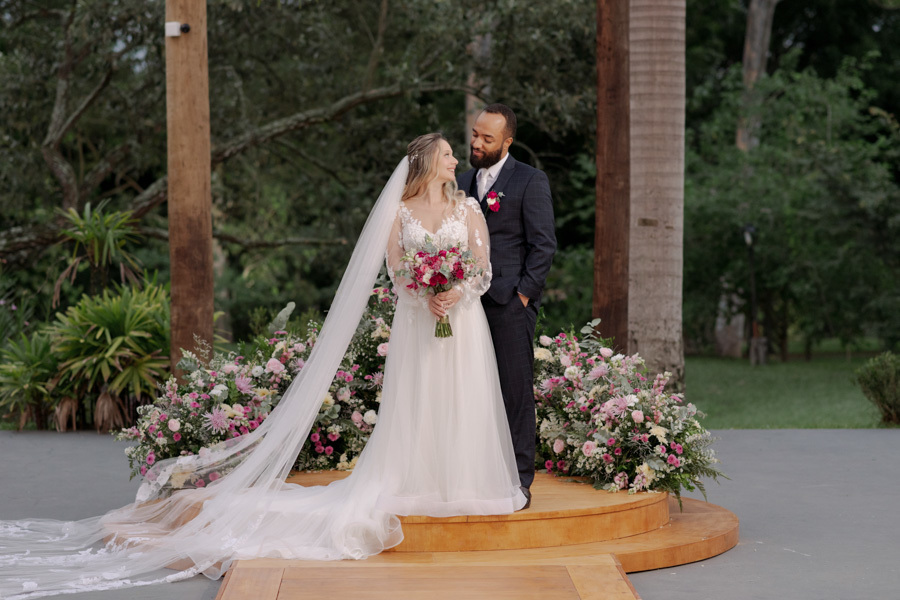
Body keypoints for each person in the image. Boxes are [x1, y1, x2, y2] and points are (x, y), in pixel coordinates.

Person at [0, 134, 525, 599]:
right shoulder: (401, 212)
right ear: (428, 163)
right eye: (449, 154)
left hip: (462, 324)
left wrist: (454, 289)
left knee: (464, 398)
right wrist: (423, 293)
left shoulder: (469, 209)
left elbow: (482, 268)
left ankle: (461, 479)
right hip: (419, 323)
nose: (457, 158)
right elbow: (394, 271)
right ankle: (417, 478)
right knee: (419, 402)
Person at [456, 104, 557, 508]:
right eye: (475, 135)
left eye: (487, 139)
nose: (477, 143)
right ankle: (474, 473)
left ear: (507, 142)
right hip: (465, 305)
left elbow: (544, 245)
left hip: (508, 305)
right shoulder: (460, 182)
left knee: (514, 392)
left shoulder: (530, 180)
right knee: (469, 390)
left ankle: (519, 480)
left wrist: (522, 297)